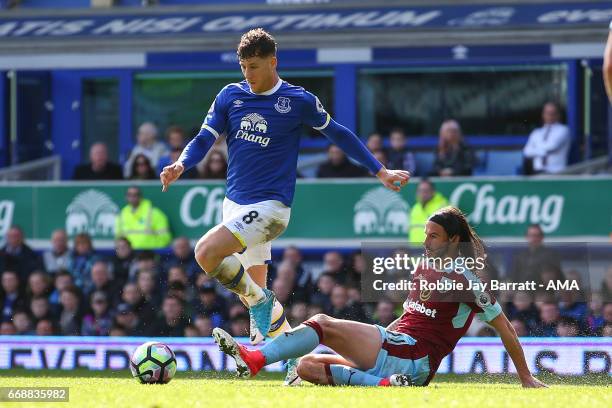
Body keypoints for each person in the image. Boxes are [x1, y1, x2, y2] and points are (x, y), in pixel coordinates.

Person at [159, 28, 409, 385]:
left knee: (206, 252)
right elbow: (204, 137)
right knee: (254, 302)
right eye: (244, 66)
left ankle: (264, 308)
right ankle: (295, 368)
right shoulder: (231, 95)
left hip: (271, 208)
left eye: (255, 66)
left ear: (273, 62)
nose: (249, 74)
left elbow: (338, 132)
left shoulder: (297, 99)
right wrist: (182, 163)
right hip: (235, 206)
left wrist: (380, 170)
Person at [212, 206, 547, 388]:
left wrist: (525, 377)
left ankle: (255, 359)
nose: (426, 242)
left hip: (414, 357)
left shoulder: (466, 279)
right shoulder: (424, 266)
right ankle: (385, 385)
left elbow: (505, 327)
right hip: (397, 349)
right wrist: (382, 334)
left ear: (453, 239)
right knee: (307, 366)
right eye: (425, 234)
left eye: (434, 236)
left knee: (322, 323)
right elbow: (410, 316)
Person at [522, 102, 570, 174]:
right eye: (547, 113)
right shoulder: (536, 133)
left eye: (553, 113)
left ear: (558, 115)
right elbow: (526, 151)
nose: (550, 116)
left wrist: (535, 148)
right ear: (543, 115)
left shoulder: (563, 130)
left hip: (556, 172)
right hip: (537, 172)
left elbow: (552, 146)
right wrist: (543, 151)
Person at [409, 179, 449, 244]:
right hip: (415, 250)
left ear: (433, 192)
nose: (423, 193)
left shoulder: (442, 207)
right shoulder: (415, 208)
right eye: (420, 191)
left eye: (426, 191)